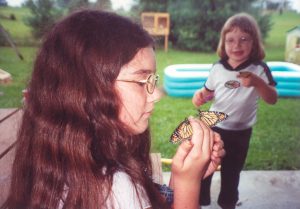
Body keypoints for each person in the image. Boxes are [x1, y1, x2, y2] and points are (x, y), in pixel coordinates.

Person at [2, 9, 225, 209]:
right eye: (141, 81)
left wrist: (178, 179)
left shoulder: (61, 157)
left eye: (153, 80)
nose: (156, 94)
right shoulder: (111, 187)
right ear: (88, 90)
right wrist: (189, 185)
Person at [192, 13, 278, 209]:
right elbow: (206, 92)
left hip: (241, 132)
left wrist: (257, 83)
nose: (236, 45)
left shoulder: (259, 69)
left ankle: (228, 202)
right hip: (215, 127)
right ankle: (200, 199)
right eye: (230, 40)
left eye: (244, 39)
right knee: (206, 165)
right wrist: (198, 96)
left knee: (232, 170)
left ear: (254, 42)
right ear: (223, 43)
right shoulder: (217, 68)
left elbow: (272, 99)